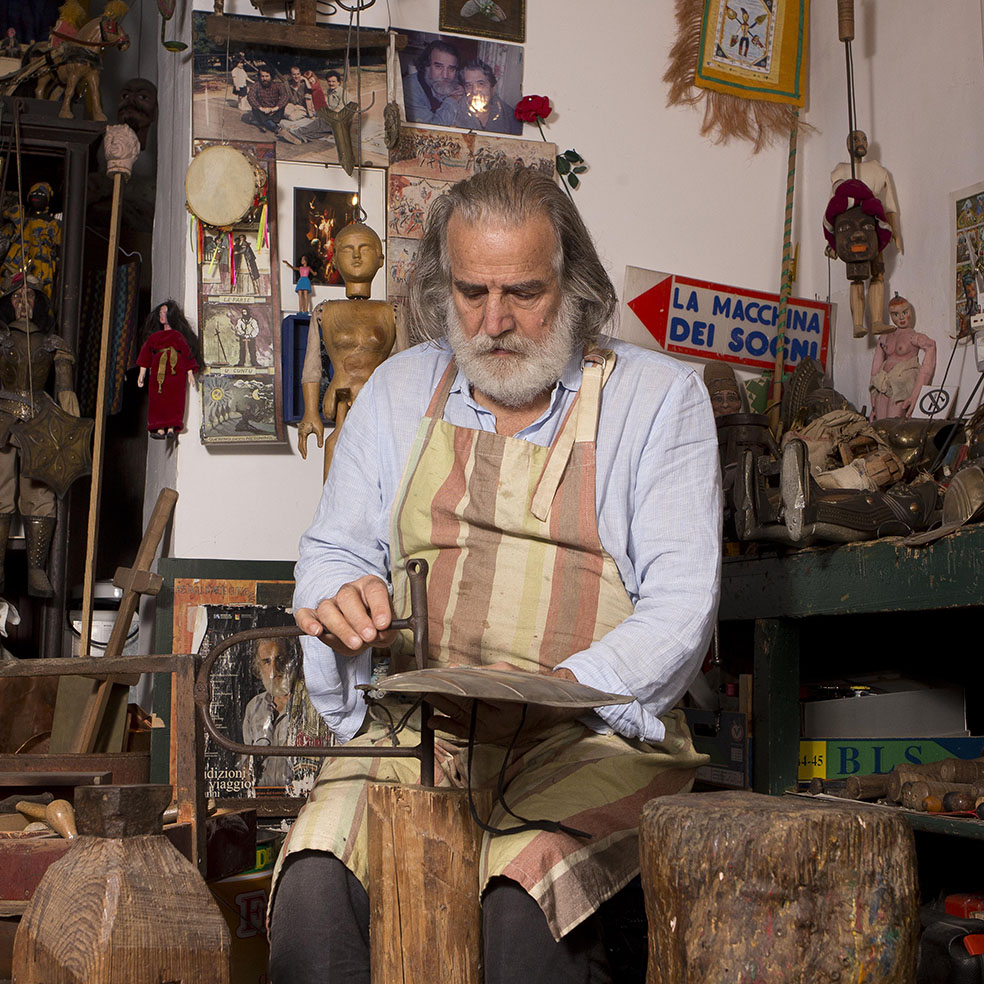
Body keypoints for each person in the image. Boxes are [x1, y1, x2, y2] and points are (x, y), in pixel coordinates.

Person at [269, 168, 721, 984]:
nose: (495, 321)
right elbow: (335, 549)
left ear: (575, 288)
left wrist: (554, 690)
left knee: (523, 908)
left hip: (582, 735)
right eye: (472, 292)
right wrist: (339, 599)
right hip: (422, 734)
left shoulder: (660, 399)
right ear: (444, 288)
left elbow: (682, 603)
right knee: (316, 888)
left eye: (524, 292)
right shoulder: (400, 390)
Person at [0, 275, 81, 597]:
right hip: (2, 415)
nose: (24, 302)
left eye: (30, 297)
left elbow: (65, 390)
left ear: (40, 303)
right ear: (8, 302)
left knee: (39, 496)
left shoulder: (53, 343)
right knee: (0, 491)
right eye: (17, 297)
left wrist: (69, 425)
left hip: (40, 422)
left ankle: (36, 568)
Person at [830, 130, 903, 336]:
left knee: (878, 271)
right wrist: (833, 242)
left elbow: (890, 206)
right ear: (847, 145)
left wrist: (895, 233)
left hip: (873, 226)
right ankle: (857, 324)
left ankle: (877, 321)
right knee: (856, 275)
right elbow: (833, 210)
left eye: (863, 139)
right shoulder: (840, 171)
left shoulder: (877, 170)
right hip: (849, 229)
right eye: (855, 139)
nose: (860, 142)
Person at [136, 300, 200, 439]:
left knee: (174, 399)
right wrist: (142, 373)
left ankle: (171, 428)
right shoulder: (154, 338)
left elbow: (186, 353)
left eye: (164, 313)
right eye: (160, 313)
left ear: (171, 315)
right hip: (158, 373)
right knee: (157, 400)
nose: (162, 316)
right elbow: (146, 354)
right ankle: (159, 429)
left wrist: (190, 372)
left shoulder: (177, 336)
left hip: (175, 372)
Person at [869, 294, 937, 421]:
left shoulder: (914, 337)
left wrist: (916, 394)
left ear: (910, 311)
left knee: (893, 425)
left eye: (905, 312)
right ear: (891, 316)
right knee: (879, 427)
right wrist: (872, 392)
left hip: (901, 385)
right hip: (883, 384)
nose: (901, 317)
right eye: (895, 314)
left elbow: (930, 349)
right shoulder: (886, 337)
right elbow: (876, 366)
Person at [240, 637, 294, 789]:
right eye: (266, 662)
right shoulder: (254, 706)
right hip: (261, 795)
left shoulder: (309, 702)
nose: (274, 669)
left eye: (280, 659)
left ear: (291, 660)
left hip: (302, 797)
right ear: (259, 666)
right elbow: (247, 757)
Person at [435, 58, 522, 135]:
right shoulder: (452, 111)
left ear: (493, 88)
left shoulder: (509, 116)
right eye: (469, 85)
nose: (474, 91)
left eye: (481, 84)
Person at [403, 38, 462, 124]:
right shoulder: (411, 86)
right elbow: (432, 130)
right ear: (427, 66)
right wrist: (452, 100)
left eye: (451, 69)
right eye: (438, 67)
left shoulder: (457, 87)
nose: (445, 75)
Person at [242, 68, 302, 145]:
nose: (264, 78)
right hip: (262, 112)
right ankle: (278, 129)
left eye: (267, 76)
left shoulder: (277, 85)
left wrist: (275, 108)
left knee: (282, 106)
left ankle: (264, 124)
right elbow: (250, 96)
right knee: (256, 109)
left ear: (271, 76)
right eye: (262, 76)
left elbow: (285, 96)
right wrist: (261, 108)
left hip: (274, 112)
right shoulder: (256, 85)